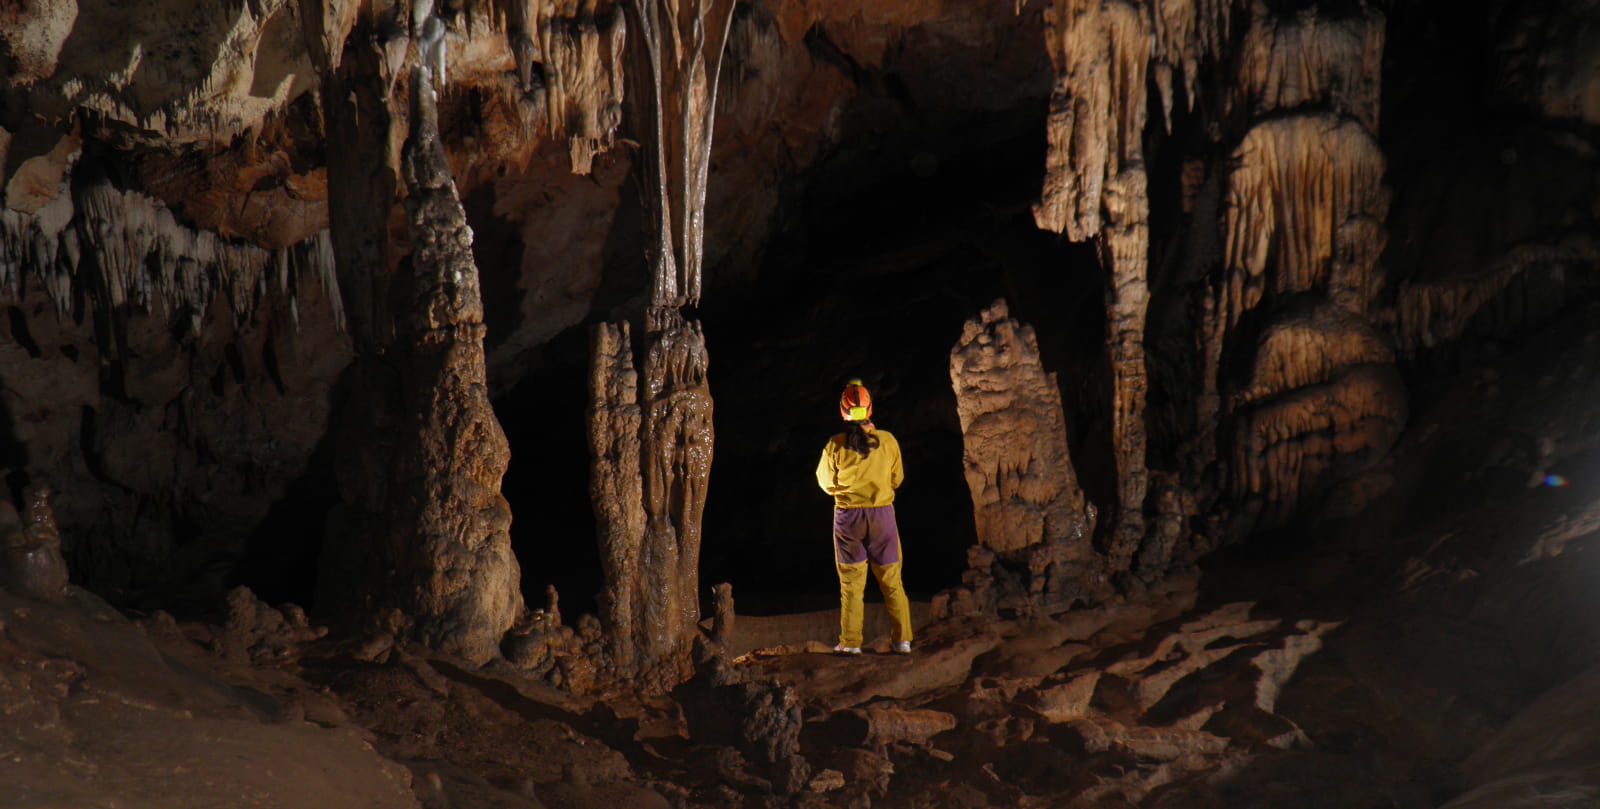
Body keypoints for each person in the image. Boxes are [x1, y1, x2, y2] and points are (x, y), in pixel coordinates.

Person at [815, 378, 913, 655]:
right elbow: (897, 478)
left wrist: (847, 492)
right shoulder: (889, 441)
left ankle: (851, 642)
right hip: (882, 516)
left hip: (849, 519)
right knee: (892, 581)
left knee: (851, 584)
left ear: (842, 412)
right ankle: (902, 640)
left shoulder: (834, 445)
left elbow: (825, 483)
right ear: (870, 410)